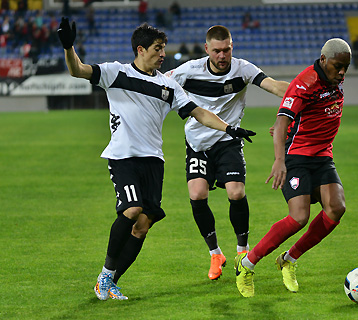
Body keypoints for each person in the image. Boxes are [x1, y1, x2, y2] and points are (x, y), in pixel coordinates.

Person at [57, 17, 255, 301]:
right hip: (124, 156)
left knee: (144, 223)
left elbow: (198, 112)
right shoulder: (116, 73)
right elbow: (78, 70)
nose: (163, 54)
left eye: (163, 48)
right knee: (131, 209)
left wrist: (229, 128)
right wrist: (68, 47)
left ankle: (110, 281)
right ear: (140, 49)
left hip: (154, 161)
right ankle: (104, 275)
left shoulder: (168, 85)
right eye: (158, 48)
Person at [165, 25, 289, 281]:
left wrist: (305, 91)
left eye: (227, 50)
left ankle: (241, 253)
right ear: (207, 49)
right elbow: (160, 83)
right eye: (218, 51)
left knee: (236, 192)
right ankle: (215, 254)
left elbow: (274, 86)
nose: (223, 56)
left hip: (229, 139)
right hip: (197, 143)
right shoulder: (189, 71)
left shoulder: (243, 69)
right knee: (197, 194)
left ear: (232, 47)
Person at [235, 38, 352, 298]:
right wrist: (279, 160)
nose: (342, 72)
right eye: (337, 66)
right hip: (296, 156)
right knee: (298, 217)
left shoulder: (333, 79)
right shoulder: (305, 83)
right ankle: (246, 264)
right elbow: (280, 122)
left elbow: (311, 111)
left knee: (336, 208)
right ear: (324, 60)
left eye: (346, 67)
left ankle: (288, 259)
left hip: (322, 156)